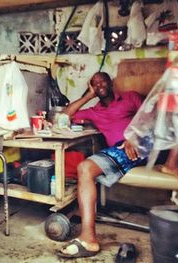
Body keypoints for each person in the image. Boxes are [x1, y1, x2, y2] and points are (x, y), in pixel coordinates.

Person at [57, 72, 146, 259]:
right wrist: (88, 96)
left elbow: (152, 115)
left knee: (85, 168)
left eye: (102, 80)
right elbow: (64, 116)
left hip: (138, 146)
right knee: (84, 168)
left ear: (111, 82)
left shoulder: (131, 97)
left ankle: (88, 240)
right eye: (94, 83)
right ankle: (88, 237)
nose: (99, 85)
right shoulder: (94, 111)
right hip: (117, 151)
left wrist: (134, 135)